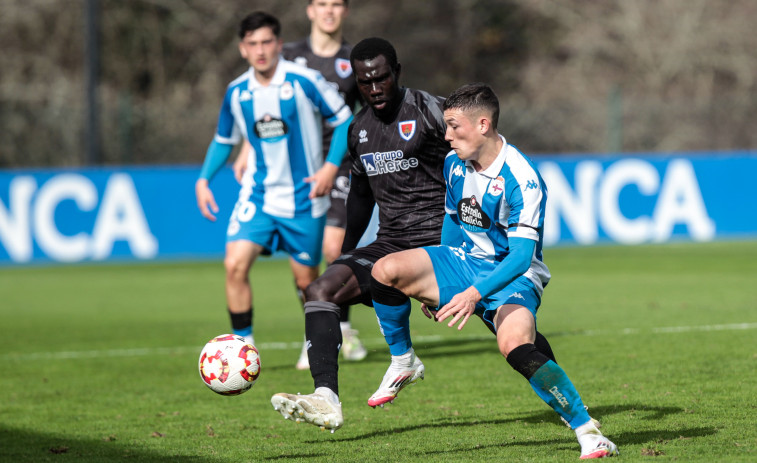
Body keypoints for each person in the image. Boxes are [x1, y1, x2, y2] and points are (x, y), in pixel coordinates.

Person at [367, 83, 619, 459]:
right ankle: (404, 361)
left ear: (483, 124)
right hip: (464, 260)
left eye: (454, 126)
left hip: (514, 275)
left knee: (515, 345)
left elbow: (520, 258)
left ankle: (588, 433)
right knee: (385, 270)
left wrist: (472, 294)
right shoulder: (454, 163)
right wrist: (439, 280)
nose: (447, 136)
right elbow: (452, 222)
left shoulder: (522, 179)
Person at [269, 37, 451, 432]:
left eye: (382, 79)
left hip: (442, 242)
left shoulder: (430, 111)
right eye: (365, 82)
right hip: (391, 243)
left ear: (396, 72)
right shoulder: (357, 130)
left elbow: (471, 169)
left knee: (511, 333)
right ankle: (326, 398)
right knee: (320, 290)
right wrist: (347, 258)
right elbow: (360, 199)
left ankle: (576, 415)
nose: (374, 89)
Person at [194, 11, 353, 367]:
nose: (260, 50)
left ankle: (313, 339)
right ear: (242, 48)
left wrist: (329, 167)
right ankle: (240, 351)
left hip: (304, 198)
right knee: (234, 264)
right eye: (253, 44)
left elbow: (344, 121)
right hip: (259, 196)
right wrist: (204, 179)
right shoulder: (237, 92)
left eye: (267, 42)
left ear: (279, 45)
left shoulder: (304, 80)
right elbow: (224, 140)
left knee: (305, 281)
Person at [233, 0, 367, 369]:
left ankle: (341, 326)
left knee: (332, 244)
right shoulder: (286, 54)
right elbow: (262, 108)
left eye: (336, 4)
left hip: (336, 164)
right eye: (322, 3)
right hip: (291, 168)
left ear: (345, 11)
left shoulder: (352, 59)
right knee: (301, 264)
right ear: (309, 10)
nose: (329, 11)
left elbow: (360, 113)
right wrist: (246, 148)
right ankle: (324, 326)